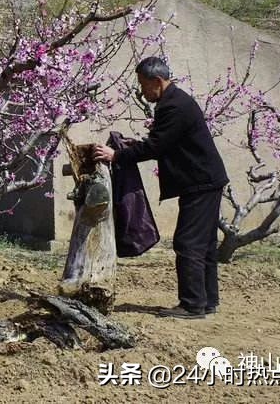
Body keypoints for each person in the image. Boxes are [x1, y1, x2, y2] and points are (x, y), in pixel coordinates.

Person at [93, 57, 228, 319]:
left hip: (200, 182)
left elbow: (156, 147)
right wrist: (135, 145)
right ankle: (206, 301)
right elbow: (164, 141)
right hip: (205, 180)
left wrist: (116, 156)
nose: (142, 92)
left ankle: (191, 305)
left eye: (144, 85)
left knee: (188, 243)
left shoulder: (174, 106)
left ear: (157, 81)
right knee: (204, 244)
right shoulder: (175, 101)